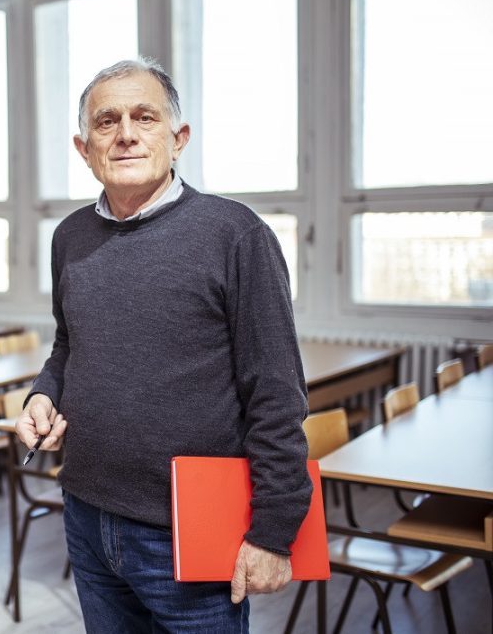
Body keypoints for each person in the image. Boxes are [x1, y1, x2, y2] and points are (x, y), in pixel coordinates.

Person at [16, 57, 311, 633]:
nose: (125, 133)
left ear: (178, 140)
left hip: (191, 525)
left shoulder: (236, 234)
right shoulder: (69, 236)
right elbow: (68, 345)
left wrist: (274, 532)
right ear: (83, 148)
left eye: (144, 117)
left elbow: (276, 392)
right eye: (106, 122)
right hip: (86, 511)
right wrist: (40, 395)